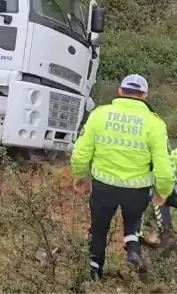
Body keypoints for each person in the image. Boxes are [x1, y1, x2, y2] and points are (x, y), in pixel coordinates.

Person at [71, 74, 174, 280]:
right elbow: (163, 166)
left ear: (120, 91)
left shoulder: (99, 115)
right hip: (137, 189)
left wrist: (79, 175)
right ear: (144, 95)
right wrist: (164, 191)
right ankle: (133, 249)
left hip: (104, 185)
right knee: (133, 219)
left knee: (99, 228)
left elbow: (81, 152)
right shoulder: (154, 123)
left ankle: (95, 272)